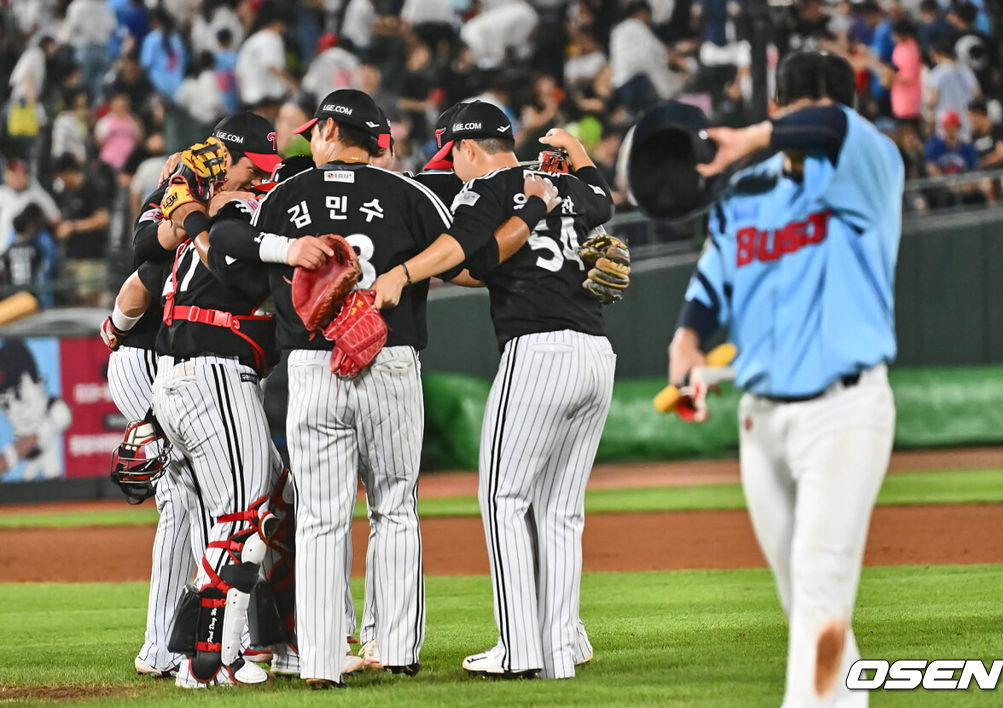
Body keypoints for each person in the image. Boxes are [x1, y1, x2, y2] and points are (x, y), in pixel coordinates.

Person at [209, 89, 557, 688]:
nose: (310, 139)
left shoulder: (283, 196)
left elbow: (230, 266)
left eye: (315, 130)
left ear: (329, 133)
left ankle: (319, 659)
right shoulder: (409, 193)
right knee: (394, 503)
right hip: (390, 360)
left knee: (320, 515)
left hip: (313, 367)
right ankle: (395, 646)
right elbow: (464, 259)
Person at [668, 50, 902, 706]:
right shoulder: (746, 189)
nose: (800, 125)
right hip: (761, 417)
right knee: (801, 595)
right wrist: (687, 338)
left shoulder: (869, 162)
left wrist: (755, 135)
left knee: (820, 577)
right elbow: (714, 279)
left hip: (845, 412)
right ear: (773, 111)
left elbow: (826, 126)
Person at [373, 101, 619, 680]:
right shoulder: (558, 179)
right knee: (561, 511)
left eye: (452, 155)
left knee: (503, 500)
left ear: (466, 148)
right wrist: (580, 157)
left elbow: (471, 255)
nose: (453, 167)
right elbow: (603, 204)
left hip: (536, 349)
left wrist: (405, 271)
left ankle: (517, 648)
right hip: (595, 351)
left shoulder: (483, 188)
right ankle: (560, 649)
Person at [104, 119, 292, 688]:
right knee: (208, 507)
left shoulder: (226, 203)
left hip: (189, 367)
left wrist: (198, 214)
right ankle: (195, 655)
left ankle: (252, 641)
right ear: (226, 158)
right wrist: (194, 213)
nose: (261, 179)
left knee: (269, 497)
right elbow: (142, 259)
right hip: (165, 356)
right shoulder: (194, 196)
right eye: (253, 168)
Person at [53, 153, 111, 305]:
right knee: (76, 300)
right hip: (72, 255)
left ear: (68, 173)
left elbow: (103, 219)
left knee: (90, 298)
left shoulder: (91, 188)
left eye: (61, 176)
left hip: (90, 256)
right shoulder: (65, 193)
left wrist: (72, 227)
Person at [968, 99, 1003, 203]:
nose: (970, 121)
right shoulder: (974, 136)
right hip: (991, 176)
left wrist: (982, 163)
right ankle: (995, 216)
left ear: (979, 115)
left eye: (971, 117)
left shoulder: (999, 129)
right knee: (986, 184)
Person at [0, 159, 60, 254]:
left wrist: (39, 223)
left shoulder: (37, 194)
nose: (18, 178)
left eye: (22, 174)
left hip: (31, 256)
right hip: (3, 253)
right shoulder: (2, 193)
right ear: (7, 176)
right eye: (14, 174)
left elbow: (56, 218)